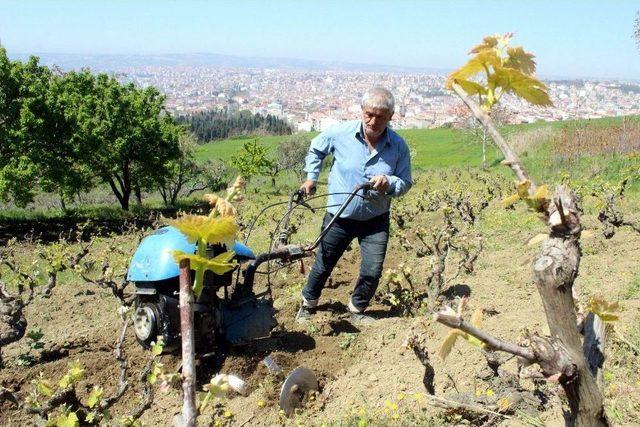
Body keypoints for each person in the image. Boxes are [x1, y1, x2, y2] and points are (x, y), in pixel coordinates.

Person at [296, 87, 413, 325]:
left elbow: (405, 182)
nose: (373, 121)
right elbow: (316, 149)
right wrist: (311, 177)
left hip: (375, 218)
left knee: (372, 270)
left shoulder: (399, 146)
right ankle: (308, 303)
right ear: (362, 111)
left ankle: (357, 308)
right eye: (369, 114)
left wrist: (388, 183)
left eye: (381, 116)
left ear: (391, 116)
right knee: (324, 262)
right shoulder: (340, 133)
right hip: (340, 213)